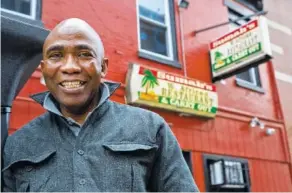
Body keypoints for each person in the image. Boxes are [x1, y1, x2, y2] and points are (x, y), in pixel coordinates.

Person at [2, 18, 199, 192]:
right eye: (56, 55)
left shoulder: (150, 128)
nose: (70, 67)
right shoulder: (17, 145)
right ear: (44, 70)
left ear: (103, 67)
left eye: (84, 54)